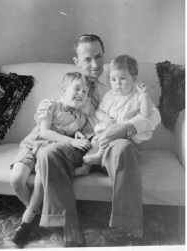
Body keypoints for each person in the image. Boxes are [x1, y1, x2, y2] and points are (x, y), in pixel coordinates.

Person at [13, 34, 161, 247]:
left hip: (111, 144)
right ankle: (67, 227)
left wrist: (125, 127)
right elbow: (57, 114)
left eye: (98, 57)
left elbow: (152, 116)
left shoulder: (113, 84)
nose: (94, 64)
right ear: (77, 62)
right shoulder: (74, 85)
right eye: (87, 59)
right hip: (79, 144)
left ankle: (128, 226)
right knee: (48, 153)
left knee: (123, 149)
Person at [10, 72, 92, 247]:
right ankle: (38, 215)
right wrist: (71, 139)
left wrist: (78, 134)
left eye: (85, 91)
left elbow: (80, 136)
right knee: (16, 179)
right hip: (32, 144)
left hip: (47, 153)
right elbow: (45, 132)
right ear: (63, 90)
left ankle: (27, 221)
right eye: (77, 88)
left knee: (41, 181)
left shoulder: (81, 118)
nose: (81, 93)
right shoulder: (50, 105)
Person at [75, 54, 156, 176]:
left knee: (110, 139)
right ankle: (86, 167)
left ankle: (100, 156)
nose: (117, 83)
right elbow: (98, 111)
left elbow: (147, 114)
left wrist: (144, 95)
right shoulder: (109, 95)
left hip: (125, 136)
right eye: (113, 80)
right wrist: (104, 117)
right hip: (105, 131)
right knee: (95, 141)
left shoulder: (137, 96)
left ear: (134, 78)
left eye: (122, 79)